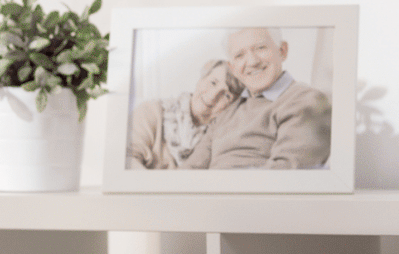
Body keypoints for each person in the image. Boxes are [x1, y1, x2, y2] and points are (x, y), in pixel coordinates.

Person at [183, 27, 332, 170]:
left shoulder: (307, 100)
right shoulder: (228, 110)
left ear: (282, 51)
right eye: (239, 55)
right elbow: (189, 171)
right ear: (233, 68)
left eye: (260, 48)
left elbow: (286, 175)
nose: (252, 61)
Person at [125, 58, 242, 169]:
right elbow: (127, 160)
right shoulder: (151, 111)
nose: (213, 96)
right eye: (213, 83)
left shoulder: (220, 140)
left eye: (226, 95)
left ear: (232, 105)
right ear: (201, 79)